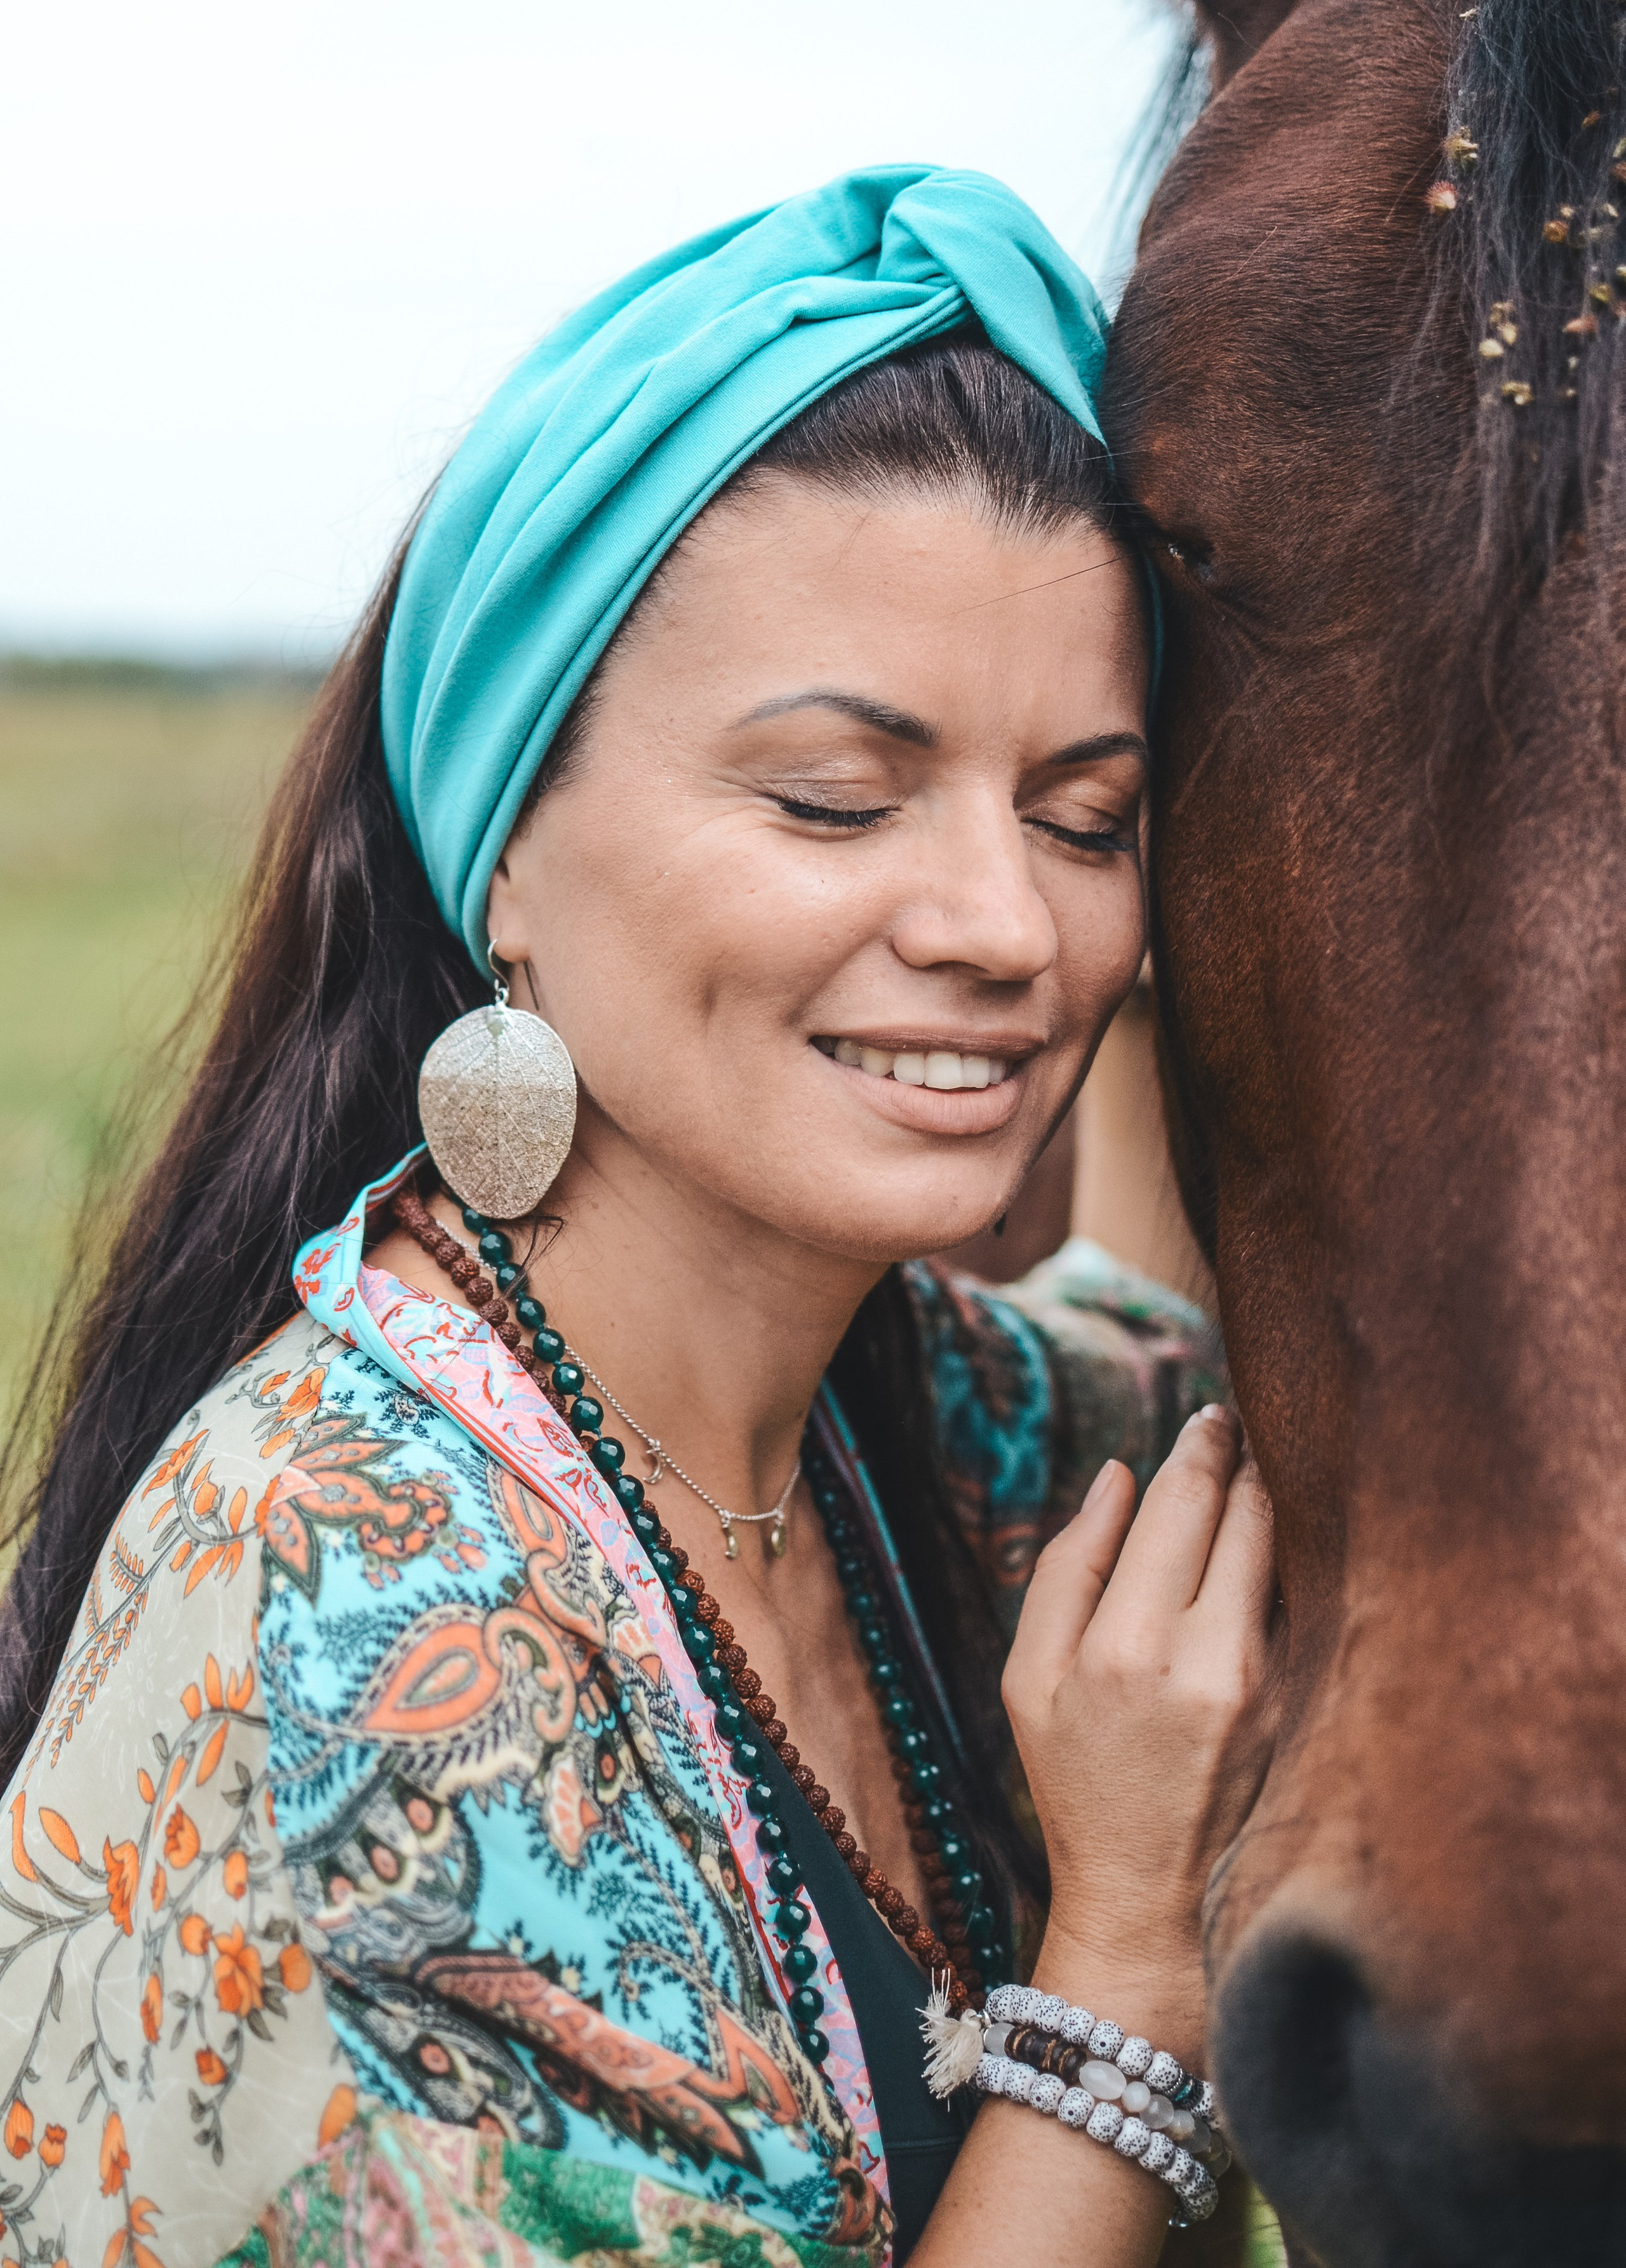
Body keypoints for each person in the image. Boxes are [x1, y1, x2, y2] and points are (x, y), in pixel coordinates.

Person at [0, 167, 1274, 2268]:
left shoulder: (933, 1422)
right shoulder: (339, 1632)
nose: (1003, 928)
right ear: (505, 850)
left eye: (1087, 820)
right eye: (835, 801)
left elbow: (1184, 1345)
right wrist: (1125, 1966)